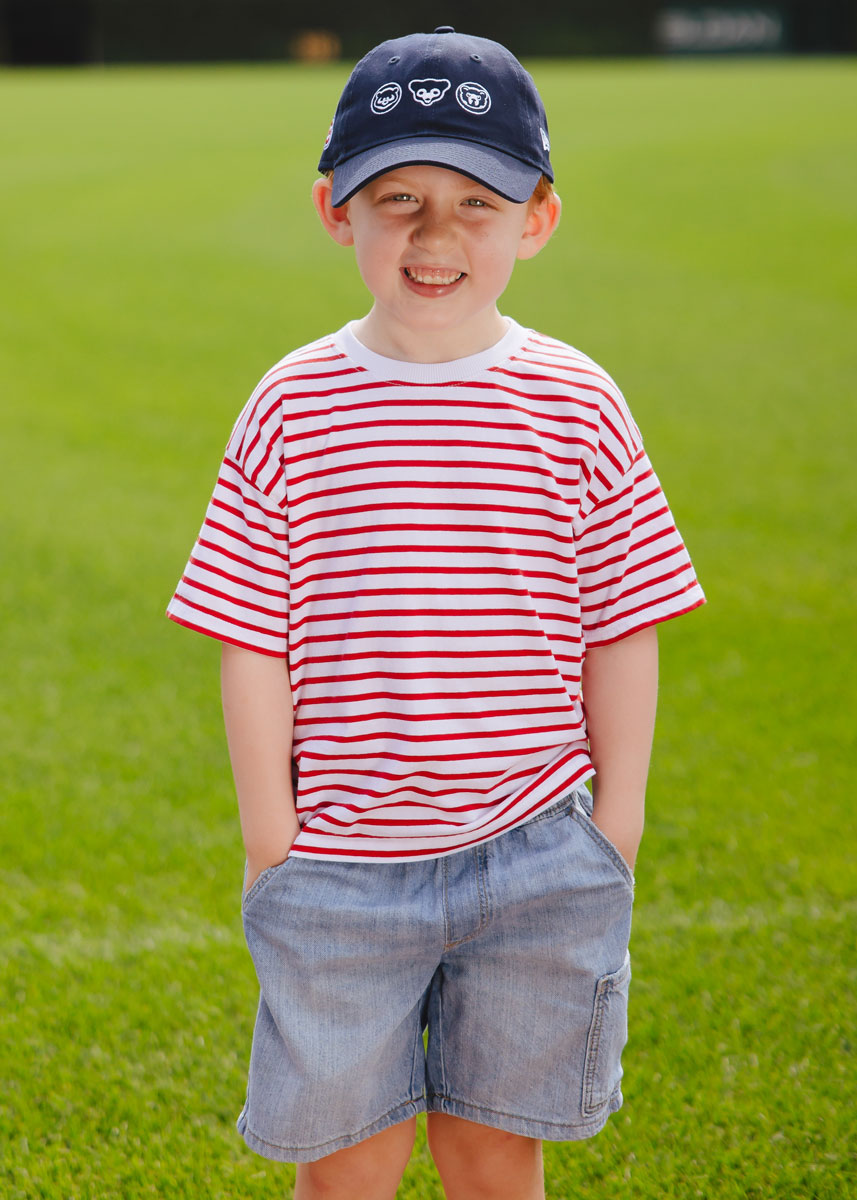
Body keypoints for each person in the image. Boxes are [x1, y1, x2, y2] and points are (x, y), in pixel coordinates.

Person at [167, 26, 705, 1200]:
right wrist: (273, 842)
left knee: (489, 1151)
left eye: (475, 201)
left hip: (534, 851)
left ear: (536, 220)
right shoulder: (291, 404)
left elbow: (622, 620)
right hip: (342, 863)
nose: (433, 234)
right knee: (348, 1163)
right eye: (396, 196)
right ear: (335, 210)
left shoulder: (577, 400)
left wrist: (614, 825)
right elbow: (250, 637)